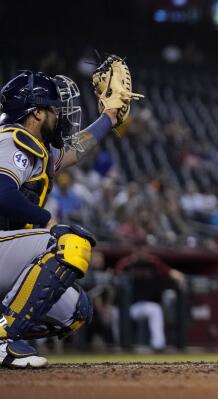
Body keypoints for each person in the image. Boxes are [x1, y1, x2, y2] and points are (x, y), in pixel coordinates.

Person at [0, 60, 138, 368]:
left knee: (76, 311)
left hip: (5, 252)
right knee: (69, 243)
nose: (59, 114)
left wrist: (109, 117)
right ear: (36, 113)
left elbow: (78, 148)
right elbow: (1, 192)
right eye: (52, 108)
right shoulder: (12, 139)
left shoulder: (35, 147)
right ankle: (2, 339)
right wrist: (44, 220)